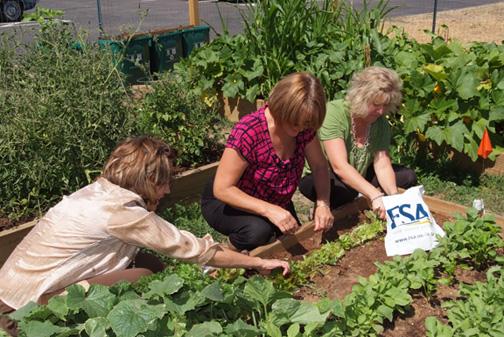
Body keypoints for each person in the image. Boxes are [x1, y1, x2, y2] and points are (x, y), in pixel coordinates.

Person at [0, 136, 290, 334]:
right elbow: (193, 249)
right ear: (149, 179)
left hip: (10, 291)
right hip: (23, 312)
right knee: (141, 278)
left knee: (150, 263)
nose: (167, 190)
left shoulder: (99, 192)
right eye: (165, 182)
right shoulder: (122, 213)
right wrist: (258, 263)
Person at [201, 72, 334, 252]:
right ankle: (221, 254)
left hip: (274, 200)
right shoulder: (249, 131)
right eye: (296, 123)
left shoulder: (304, 129)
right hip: (229, 201)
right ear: (281, 109)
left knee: (295, 248)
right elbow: (222, 189)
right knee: (258, 232)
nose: (301, 129)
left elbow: (319, 166)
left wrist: (323, 203)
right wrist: (270, 211)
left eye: (306, 124)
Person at [299, 66, 417, 219]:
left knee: (407, 177)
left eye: (385, 106)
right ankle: (328, 208)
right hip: (324, 175)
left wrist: (394, 199)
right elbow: (339, 166)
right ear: (361, 97)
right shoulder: (335, 113)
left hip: (358, 171)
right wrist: (374, 194)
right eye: (376, 105)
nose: (381, 111)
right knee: (345, 192)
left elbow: (382, 164)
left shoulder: (380, 123)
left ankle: (364, 199)